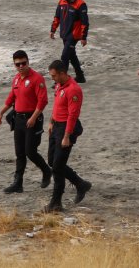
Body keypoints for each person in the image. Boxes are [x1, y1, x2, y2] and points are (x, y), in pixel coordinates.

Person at [0, 50, 53, 193]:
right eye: (17, 64)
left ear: (28, 62)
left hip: (33, 119)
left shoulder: (37, 78)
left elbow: (43, 101)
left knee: (30, 152)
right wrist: (1, 112)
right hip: (19, 120)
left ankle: (46, 171)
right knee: (19, 153)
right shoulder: (16, 79)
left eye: (23, 63)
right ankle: (18, 183)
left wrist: (33, 117)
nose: (21, 66)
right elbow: (11, 98)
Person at [43, 59, 92, 213]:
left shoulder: (73, 90)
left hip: (66, 128)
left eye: (54, 75)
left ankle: (56, 202)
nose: (52, 78)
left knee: (58, 166)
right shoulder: (59, 85)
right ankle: (80, 183)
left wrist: (66, 136)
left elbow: (73, 115)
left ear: (62, 73)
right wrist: (51, 121)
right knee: (52, 161)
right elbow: (57, 105)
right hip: (56, 126)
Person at [49, 0, 88, 83]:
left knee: (64, 56)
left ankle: (62, 81)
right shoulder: (62, 1)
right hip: (64, 34)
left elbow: (85, 22)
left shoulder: (81, 4)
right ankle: (80, 76)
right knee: (72, 55)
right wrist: (53, 30)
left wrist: (83, 37)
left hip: (74, 35)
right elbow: (57, 17)